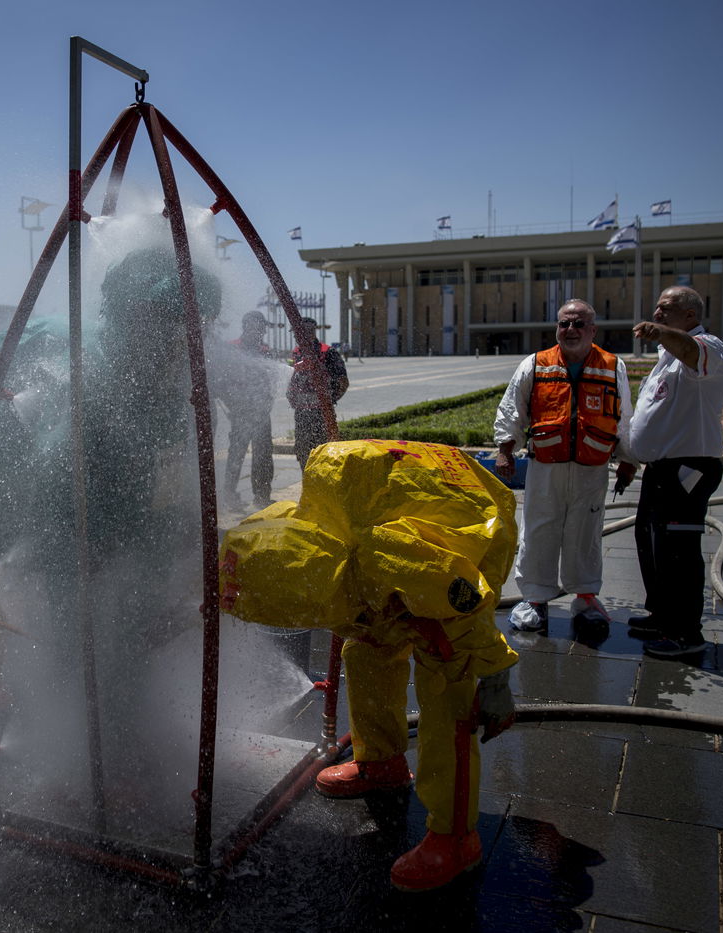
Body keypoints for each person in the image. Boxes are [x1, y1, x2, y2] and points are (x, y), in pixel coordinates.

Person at [219, 439, 519, 891]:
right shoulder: (305, 533)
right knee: (366, 647)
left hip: (470, 533)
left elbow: (468, 611)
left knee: (447, 685)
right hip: (391, 535)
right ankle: (381, 762)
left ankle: (456, 837)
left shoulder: (399, 559)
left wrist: (496, 678)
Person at [493, 300, 637, 634]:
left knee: (585, 532)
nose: (571, 330)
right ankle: (534, 599)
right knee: (539, 530)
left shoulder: (613, 366)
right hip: (546, 466)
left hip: (592, 468)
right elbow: (512, 408)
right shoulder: (535, 364)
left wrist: (629, 460)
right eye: (564, 324)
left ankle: (586, 598)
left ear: (593, 330)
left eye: (579, 324)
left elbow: (624, 416)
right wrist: (504, 450)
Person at [626, 286, 723, 658]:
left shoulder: (709, 347)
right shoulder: (665, 358)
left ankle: (685, 632)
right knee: (651, 543)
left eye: (666, 308)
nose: (657, 313)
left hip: (688, 469)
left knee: (678, 552)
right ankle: (662, 616)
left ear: (690, 315)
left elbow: (691, 351)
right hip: (661, 470)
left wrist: (661, 334)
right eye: (656, 308)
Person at [217, 310, 276, 509]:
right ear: (245, 327)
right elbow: (222, 382)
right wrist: (233, 405)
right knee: (237, 454)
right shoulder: (232, 349)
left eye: (261, 328)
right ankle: (229, 496)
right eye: (255, 327)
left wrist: (267, 402)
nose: (259, 331)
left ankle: (262, 496)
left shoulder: (265, 351)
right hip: (241, 413)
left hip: (262, 413)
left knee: (263, 454)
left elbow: (270, 380)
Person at [287, 316, 348, 468]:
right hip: (301, 414)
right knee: (303, 453)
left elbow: (343, 382)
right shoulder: (296, 354)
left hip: (322, 414)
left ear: (310, 332)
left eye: (298, 333)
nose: (295, 337)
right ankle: (307, 481)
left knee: (324, 453)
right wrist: (292, 398)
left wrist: (329, 400)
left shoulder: (327, 352)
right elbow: (290, 380)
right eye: (295, 333)